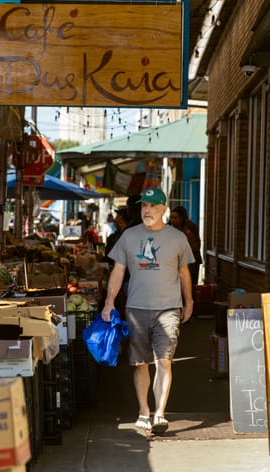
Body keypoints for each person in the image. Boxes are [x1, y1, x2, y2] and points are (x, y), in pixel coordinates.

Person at [101, 186, 194, 436]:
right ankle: (144, 411)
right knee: (140, 363)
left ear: (164, 209)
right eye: (144, 205)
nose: (147, 210)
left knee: (164, 360)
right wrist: (109, 302)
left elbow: (184, 273)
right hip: (137, 308)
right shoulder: (129, 236)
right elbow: (118, 271)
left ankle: (160, 413)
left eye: (153, 206)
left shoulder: (178, 238)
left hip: (169, 308)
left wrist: (190, 301)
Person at [169, 206, 203, 286]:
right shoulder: (171, 228)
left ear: (181, 218)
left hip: (191, 261)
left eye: (175, 218)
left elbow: (194, 247)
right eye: (171, 217)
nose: (172, 220)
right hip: (179, 261)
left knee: (188, 284)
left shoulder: (188, 230)